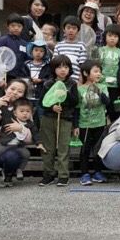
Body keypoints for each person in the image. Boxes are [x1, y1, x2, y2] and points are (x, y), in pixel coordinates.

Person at [0, 98, 43, 187]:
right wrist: (0, 104)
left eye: (28, 111)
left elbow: (35, 134)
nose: (25, 113)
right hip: (4, 144)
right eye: (22, 111)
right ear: (15, 113)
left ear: (31, 113)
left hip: (18, 146)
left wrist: (39, 143)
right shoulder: (8, 119)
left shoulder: (30, 124)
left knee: (26, 154)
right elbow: (3, 112)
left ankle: (19, 170)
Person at [39, 55, 79, 187]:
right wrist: (52, 107)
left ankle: (63, 175)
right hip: (48, 118)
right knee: (48, 148)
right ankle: (48, 174)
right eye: (59, 67)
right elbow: (41, 102)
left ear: (69, 69)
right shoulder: (47, 84)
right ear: (53, 69)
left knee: (63, 148)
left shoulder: (72, 84)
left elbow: (75, 102)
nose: (63, 70)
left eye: (66, 67)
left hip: (65, 119)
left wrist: (65, 94)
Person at [76, 60, 110, 186]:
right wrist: (75, 125)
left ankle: (97, 172)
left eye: (100, 71)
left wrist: (98, 91)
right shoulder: (80, 89)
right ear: (86, 73)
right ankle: (84, 174)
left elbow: (107, 102)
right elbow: (76, 108)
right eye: (95, 71)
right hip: (85, 124)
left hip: (100, 123)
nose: (98, 74)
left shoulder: (103, 87)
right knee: (85, 149)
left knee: (98, 149)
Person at [98, 24, 120, 121]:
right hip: (101, 85)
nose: (112, 38)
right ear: (105, 36)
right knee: (100, 110)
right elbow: (94, 68)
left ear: (119, 38)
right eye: (110, 35)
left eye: (115, 36)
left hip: (115, 87)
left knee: (114, 112)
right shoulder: (99, 51)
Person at [0, 13, 30, 90]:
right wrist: (0, 78)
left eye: (19, 26)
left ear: (22, 27)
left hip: (20, 77)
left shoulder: (25, 43)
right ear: (7, 26)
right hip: (6, 76)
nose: (16, 28)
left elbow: (27, 60)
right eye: (13, 26)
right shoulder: (3, 40)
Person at [23, 40, 51, 127]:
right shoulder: (26, 64)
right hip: (27, 96)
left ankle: (40, 134)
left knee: (41, 118)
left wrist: (41, 81)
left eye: (41, 51)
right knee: (26, 118)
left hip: (41, 97)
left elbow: (50, 80)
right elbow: (22, 78)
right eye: (36, 50)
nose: (38, 53)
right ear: (31, 51)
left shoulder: (47, 66)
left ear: (45, 53)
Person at [53, 16, 87, 82]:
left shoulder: (81, 46)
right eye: (68, 28)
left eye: (74, 28)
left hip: (75, 80)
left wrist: (81, 79)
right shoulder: (58, 46)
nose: (71, 30)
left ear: (78, 31)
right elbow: (54, 64)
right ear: (64, 29)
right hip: (59, 80)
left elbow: (82, 65)